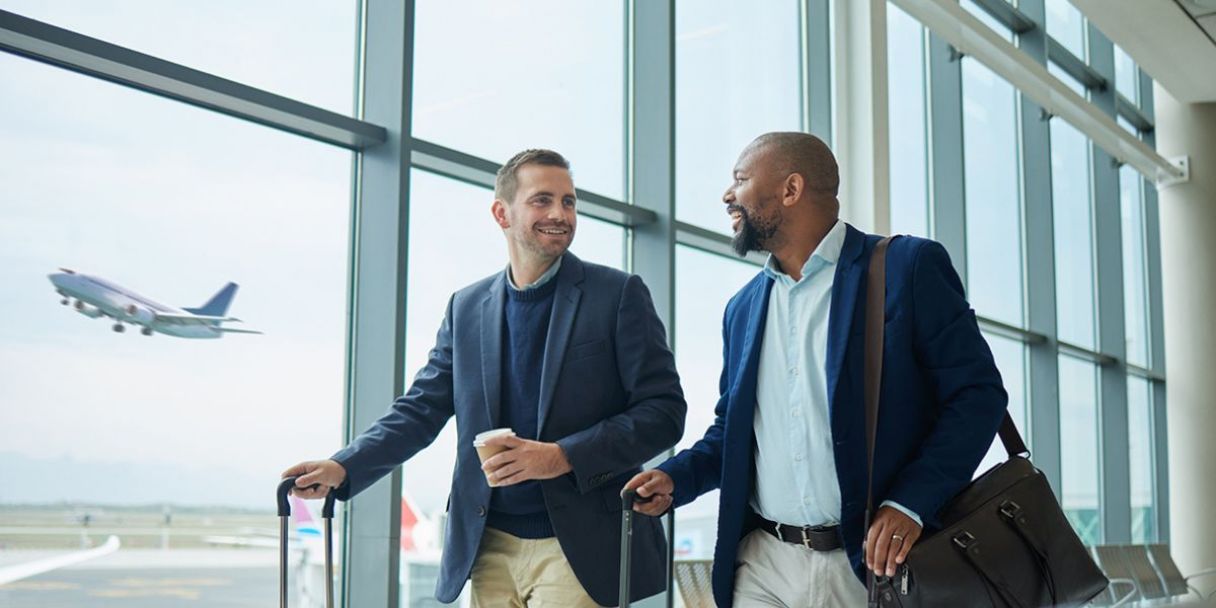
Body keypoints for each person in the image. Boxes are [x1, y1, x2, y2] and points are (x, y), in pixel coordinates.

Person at [284, 149, 686, 607]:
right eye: (542, 200)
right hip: (487, 543)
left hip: (580, 546)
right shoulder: (467, 307)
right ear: (502, 213)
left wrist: (562, 456)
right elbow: (420, 409)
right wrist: (345, 467)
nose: (560, 214)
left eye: (569, 202)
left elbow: (663, 412)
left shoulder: (617, 294)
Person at [624, 132, 1008, 606]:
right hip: (764, 563)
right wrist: (677, 478)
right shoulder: (743, 308)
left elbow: (977, 395)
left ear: (791, 189)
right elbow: (735, 432)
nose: (728, 195)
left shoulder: (906, 268)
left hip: (868, 565)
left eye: (740, 180)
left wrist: (910, 501)